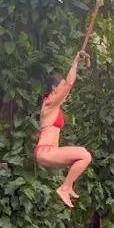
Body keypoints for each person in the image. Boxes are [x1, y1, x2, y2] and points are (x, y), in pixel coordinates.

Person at [34, 50, 92, 208]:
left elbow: (66, 89)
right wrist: (75, 62)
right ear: (54, 87)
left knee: (83, 153)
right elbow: (69, 84)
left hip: (47, 152)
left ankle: (67, 186)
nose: (63, 89)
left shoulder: (51, 104)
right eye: (60, 86)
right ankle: (65, 187)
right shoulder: (49, 104)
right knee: (84, 155)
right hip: (47, 152)